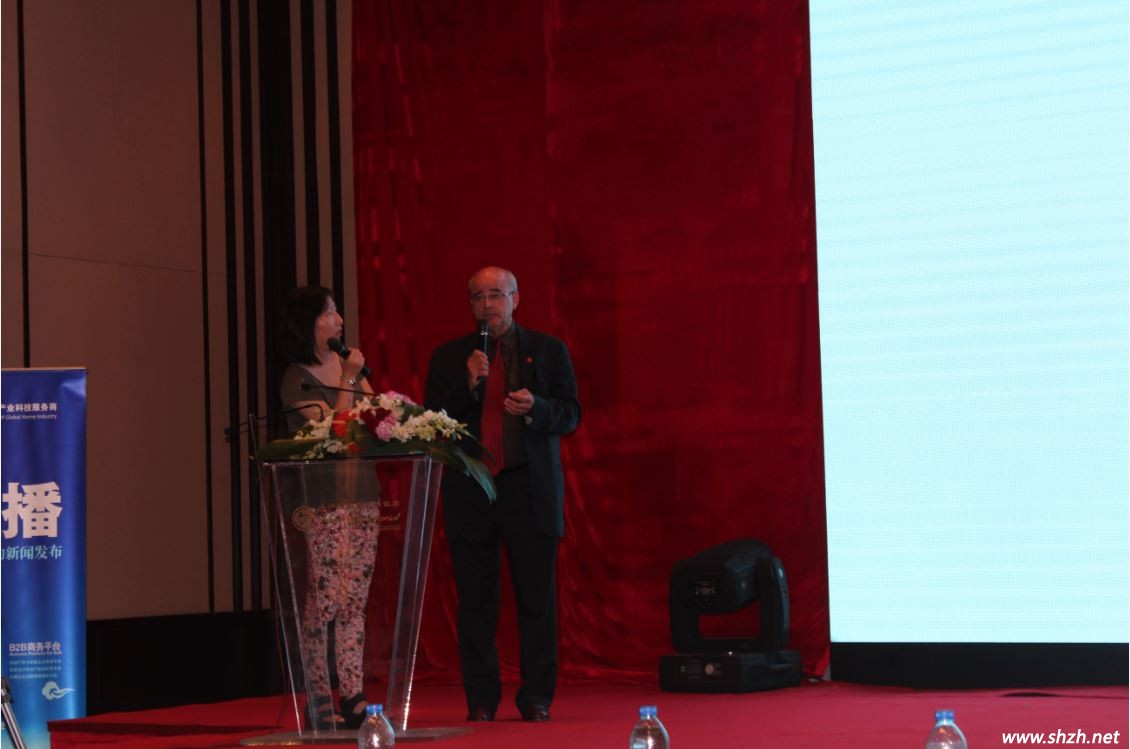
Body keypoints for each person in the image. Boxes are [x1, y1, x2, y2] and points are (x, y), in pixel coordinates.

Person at [425, 266, 580, 723]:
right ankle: (481, 700)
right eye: (478, 297)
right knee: (476, 601)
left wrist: (538, 408)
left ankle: (536, 697)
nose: (487, 305)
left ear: (516, 299)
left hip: (527, 487)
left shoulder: (548, 351)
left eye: (496, 295)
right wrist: (468, 385)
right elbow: (431, 422)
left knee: (536, 599)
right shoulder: (451, 356)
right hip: (472, 487)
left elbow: (571, 413)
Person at [277, 286, 380, 730]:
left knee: (354, 599)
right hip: (322, 499)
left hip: (362, 493)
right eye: (329, 313)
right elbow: (336, 431)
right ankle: (319, 695)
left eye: (337, 311)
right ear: (309, 324)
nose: (338, 321)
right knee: (325, 600)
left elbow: (376, 416)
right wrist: (350, 381)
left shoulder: (348, 367)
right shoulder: (296, 377)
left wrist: (358, 382)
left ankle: (353, 694)